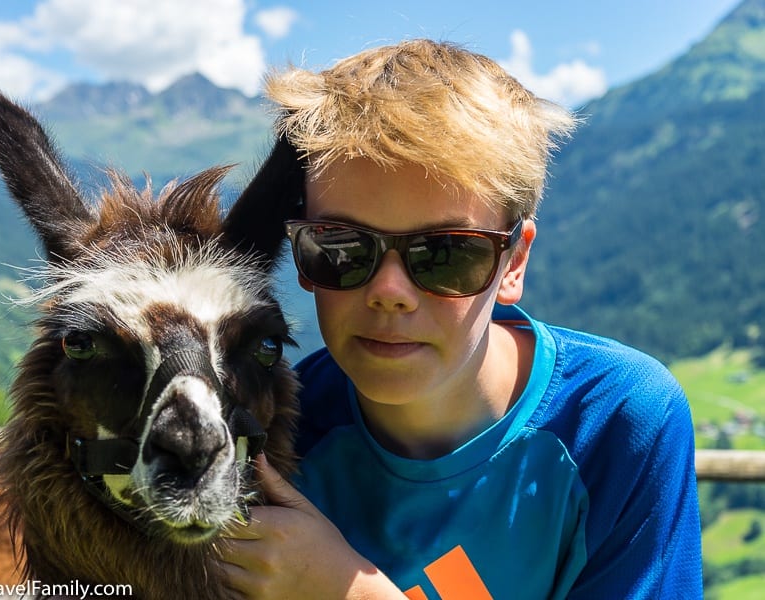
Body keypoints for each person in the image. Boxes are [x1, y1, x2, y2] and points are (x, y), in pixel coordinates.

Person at [220, 39, 702, 599]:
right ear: (299, 255)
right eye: (342, 247)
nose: (389, 292)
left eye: (447, 252)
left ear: (513, 262)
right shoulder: (279, 426)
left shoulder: (616, 422)